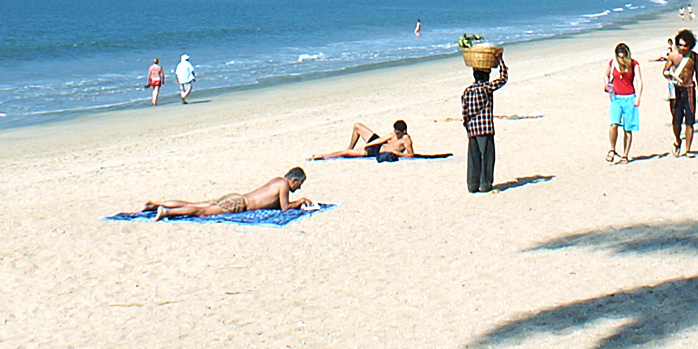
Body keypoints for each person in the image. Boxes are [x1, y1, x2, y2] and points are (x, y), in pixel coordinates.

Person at [143, 168, 314, 219]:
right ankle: (166, 211)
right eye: (299, 185)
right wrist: (299, 202)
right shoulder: (284, 186)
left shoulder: (276, 180)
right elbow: (285, 208)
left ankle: (157, 204)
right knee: (201, 211)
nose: (298, 188)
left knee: (194, 204)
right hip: (238, 205)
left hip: (236, 197)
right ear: (294, 180)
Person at [461, 55, 509, 194]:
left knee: (473, 158)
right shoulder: (486, 88)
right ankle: (485, 184)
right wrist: (501, 61)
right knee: (487, 157)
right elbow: (503, 79)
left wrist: (468, 127)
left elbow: (465, 112)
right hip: (485, 128)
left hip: (472, 130)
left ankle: (472, 184)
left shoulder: (467, 91)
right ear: (486, 76)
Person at [313, 119, 443, 160]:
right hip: (377, 146)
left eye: (398, 133)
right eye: (395, 132)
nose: (396, 135)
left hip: (377, 153)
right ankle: (350, 146)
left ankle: (323, 156)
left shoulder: (406, 140)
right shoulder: (393, 134)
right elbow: (381, 139)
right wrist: (369, 143)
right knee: (357, 126)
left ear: (404, 132)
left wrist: (395, 154)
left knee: (345, 154)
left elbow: (411, 155)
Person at [662, 30, 698, 157]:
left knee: (690, 120)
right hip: (676, 89)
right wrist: (669, 76)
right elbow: (665, 71)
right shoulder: (673, 56)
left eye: (685, 45)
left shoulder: (694, 57)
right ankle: (678, 140)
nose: (683, 48)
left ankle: (688, 149)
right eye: (680, 45)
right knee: (676, 120)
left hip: (689, 88)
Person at [604, 41, 643, 163]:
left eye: (624, 56)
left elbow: (639, 81)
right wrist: (606, 84)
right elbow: (605, 75)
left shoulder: (633, 64)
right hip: (616, 98)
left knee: (628, 128)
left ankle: (625, 154)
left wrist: (638, 97)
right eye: (619, 56)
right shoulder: (612, 63)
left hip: (630, 97)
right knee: (614, 124)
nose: (622, 59)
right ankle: (612, 149)